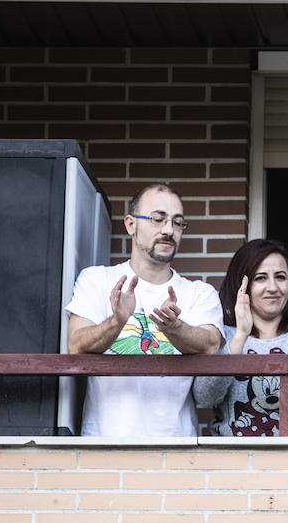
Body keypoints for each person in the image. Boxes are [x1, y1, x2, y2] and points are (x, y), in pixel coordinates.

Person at [65, 183, 222, 438]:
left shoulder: (199, 293)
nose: (168, 230)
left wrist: (174, 327)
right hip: (104, 443)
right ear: (131, 225)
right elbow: (76, 344)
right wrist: (117, 321)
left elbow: (210, 345)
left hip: (176, 446)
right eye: (158, 219)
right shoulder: (97, 280)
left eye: (178, 222)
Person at [193, 239, 288, 436]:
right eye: (261, 278)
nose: (272, 287)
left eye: (280, 277)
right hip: (230, 461)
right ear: (243, 285)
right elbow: (204, 398)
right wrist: (240, 335)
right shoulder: (222, 335)